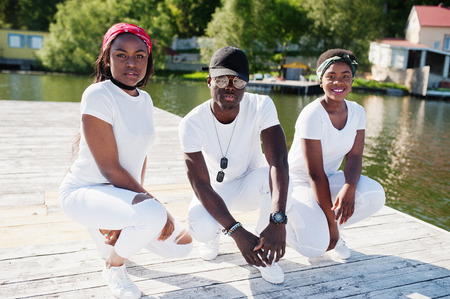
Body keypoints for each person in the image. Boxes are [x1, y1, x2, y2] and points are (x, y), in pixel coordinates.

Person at [59, 23, 193, 299]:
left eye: (139, 55)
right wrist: (153, 208)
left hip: (117, 191)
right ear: (107, 59)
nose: (131, 63)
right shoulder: (98, 95)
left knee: (183, 245)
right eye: (121, 55)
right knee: (155, 215)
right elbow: (110, 168)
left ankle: (112, 226)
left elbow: (139, 157)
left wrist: (133, 208)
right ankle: (113, 266)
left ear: (148, 60)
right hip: (83, 191)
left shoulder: (145, 100)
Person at [178, 46, 289, 284]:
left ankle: (264, 252)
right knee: (203, 229)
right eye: (222, 79)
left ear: (246, 84)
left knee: (269, 177)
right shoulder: (191, 123)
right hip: (212, 190)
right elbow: (199, 183)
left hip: (249, 183)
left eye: (238, 81)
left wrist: (277, 219)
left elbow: (278, 161)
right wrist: (236, 231)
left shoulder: (261, 105)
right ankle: (215, 234)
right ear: (209, 81)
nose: (230, 86)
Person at [286, 49, 386, 259]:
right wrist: (332, 225)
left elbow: (355, 156)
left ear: (352, 81)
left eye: (345, 77)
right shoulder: (312, 114)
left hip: (329, 177)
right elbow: (314, 173)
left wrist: (349, 187)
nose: (338, 82)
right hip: (297, 182)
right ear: (320, 80)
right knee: (314, 248)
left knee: (375, 195)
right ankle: (284, 226)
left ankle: (324, 226)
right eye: (331, 76)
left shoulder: (357, 111)